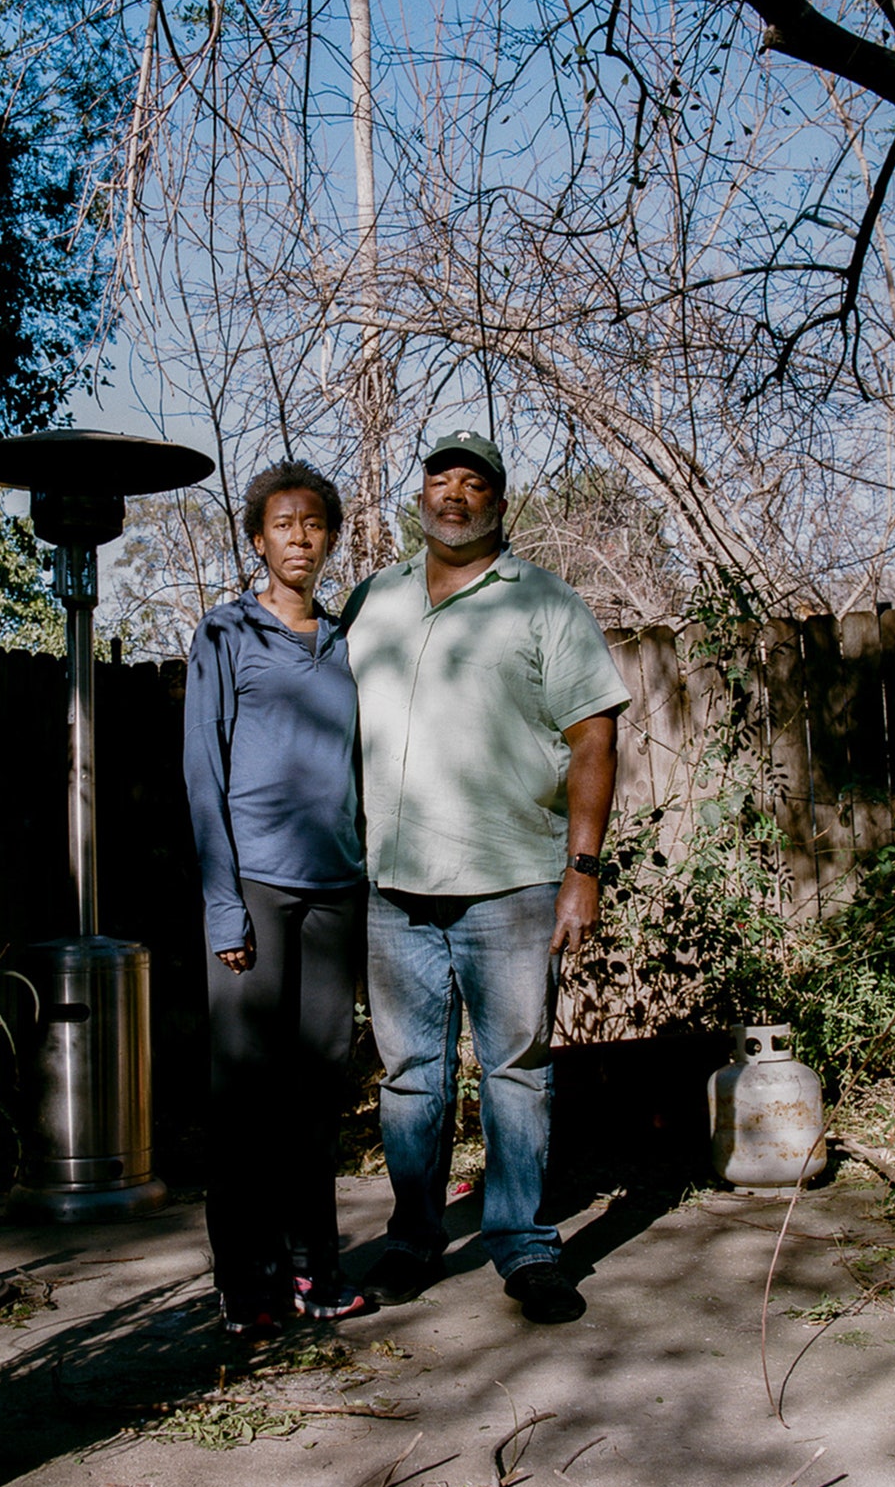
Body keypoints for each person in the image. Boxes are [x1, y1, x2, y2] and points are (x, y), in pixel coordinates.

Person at [342, 430, 626, 1325]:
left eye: (473, 484)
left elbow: (594, 737)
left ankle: (525, 1248)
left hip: (512, 885)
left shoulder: (544, 602)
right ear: (421, 496)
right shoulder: (372, 600)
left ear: (498, 503)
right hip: (393, 888)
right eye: (441, 480)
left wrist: (582, 871)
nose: (454, 495)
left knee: (516, 1071)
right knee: (408, 1077)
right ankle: (412, 1239)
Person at [183, 461, 370, 1335]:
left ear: (330, 539)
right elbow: (203, 774)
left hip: (336, 892)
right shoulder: (225, 633)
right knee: (247, 1097)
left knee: (317, 1094)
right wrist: (224, 904)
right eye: (283, 525)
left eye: (314, 524)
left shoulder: (343, 641)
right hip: (255, 888)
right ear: (258, 539)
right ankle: (247, 1280)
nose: (300, 538)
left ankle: (313, 1267)